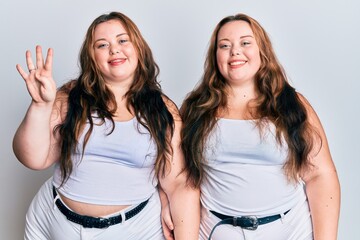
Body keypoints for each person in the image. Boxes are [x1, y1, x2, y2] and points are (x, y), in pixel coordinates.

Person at [13, 11, 200, 240]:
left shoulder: (163, 110)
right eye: (102, 45)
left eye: (123, 40)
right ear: (91, 57)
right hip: (55, 222)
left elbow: (179, 183)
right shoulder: (69, 96)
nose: (114, 49)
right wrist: (40, 106)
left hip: (136, 229)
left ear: (138, 49)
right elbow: (33, 158)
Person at [179, 13, 340, 240]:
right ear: (215, 56)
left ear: (262, 51)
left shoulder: (292, 104)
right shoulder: (195, 109)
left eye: (245, 42)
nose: (235, 51)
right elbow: (183, 179)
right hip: (217, 231)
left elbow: (320, 175)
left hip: (290, 230)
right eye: (225, 45)